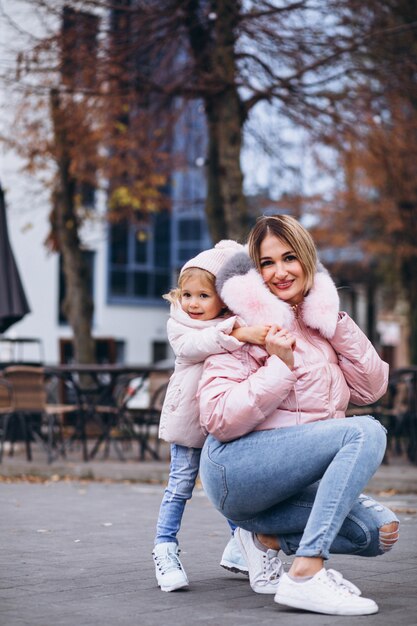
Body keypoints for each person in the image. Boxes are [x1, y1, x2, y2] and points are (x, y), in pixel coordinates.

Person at [198, 215, 399, 615]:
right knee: (366, 432)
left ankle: (261, 541)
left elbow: (371, 388)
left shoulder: (324, 329)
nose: (280, 272)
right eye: (266, 263)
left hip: (293, 486)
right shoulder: (241, 328)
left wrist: (334, 322)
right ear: (254, 273)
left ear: (307, 260)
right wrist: (280, 366)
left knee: (378, 533)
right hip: (235, 469)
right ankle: (307, 573)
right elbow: (218, 417)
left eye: (289, 258)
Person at [153, 240, 271, 592]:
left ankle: (241, 548)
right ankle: (164, 547)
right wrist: (237, 334)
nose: (192, 303)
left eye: (203, 296)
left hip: (224, 420)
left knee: (230, 487)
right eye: (186, 294)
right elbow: (195, 346)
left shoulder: (236, 323)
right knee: (180, 486)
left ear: (223, 298)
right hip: (190, 424)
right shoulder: (181, 325)